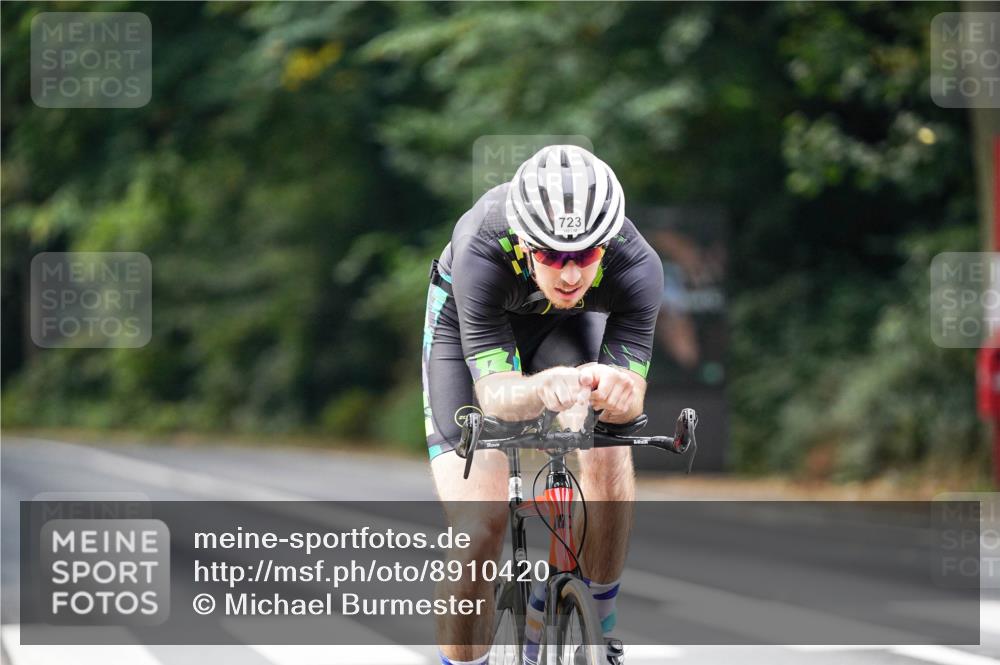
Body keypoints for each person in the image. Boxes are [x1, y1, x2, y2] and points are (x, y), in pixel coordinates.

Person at [423, 144, 664, 665]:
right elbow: (495, 394)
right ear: (525, 243)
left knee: (607, 445)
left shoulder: (636, 265)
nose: (571, 274)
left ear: (607, 245)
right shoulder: (482, 247)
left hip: (568, 328)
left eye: (585, 256)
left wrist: (617, 391)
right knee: (479, 527)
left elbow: (630, 394)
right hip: (467, 330)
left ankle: (597, 624)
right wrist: (541, 387)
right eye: (552, 255)